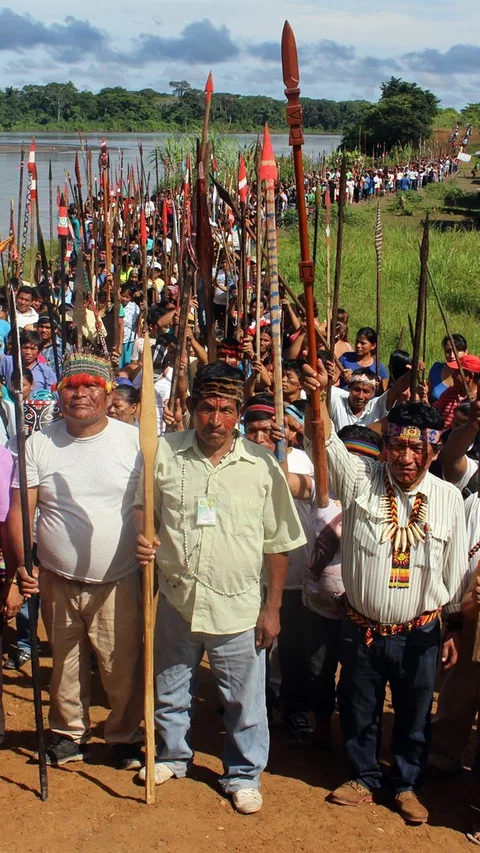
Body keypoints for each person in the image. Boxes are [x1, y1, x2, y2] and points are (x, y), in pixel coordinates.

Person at [134, 362, 305, 814]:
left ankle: (244, 773)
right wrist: (145, 537)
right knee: (170, 684)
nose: (215, 420)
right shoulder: (162, 453)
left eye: (226, 410)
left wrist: (272, 609)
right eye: (207, 408)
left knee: (244, 699)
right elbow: (142, 510)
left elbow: (279, 543)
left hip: (238, 604)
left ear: (240, 414)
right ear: (192, 408)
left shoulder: (263, 466)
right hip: (176, 596)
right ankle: (171, 755)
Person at [304, 357, 468, 826]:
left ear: (434, 452)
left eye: (418, 450)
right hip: (361, 627)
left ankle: (407, 784)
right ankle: (362, 777)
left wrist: (452, 626)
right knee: (358, 704)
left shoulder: (449, 499)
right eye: (397, 445)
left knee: (416, 712)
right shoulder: (358, 482)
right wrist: (318, 395)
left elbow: (455, 570)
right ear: (387, 446)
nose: (406, 457)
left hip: (422, 632)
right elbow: (325, 440)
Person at [10, 352, 144, 769]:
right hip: (56, 576)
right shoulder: (39, 443)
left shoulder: (136, 441)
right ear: (60, 392)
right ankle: (68, 734)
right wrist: (22, 564)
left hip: (119, 578)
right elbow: (21, 509)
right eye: (71, 386)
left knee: (121, 665)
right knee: (65, 664)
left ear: (107, 394)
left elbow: (152, 505)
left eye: (90, 386)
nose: (80, 394)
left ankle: (123, 735)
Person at [434, 354, 480, 429]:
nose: (452, 375)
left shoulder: (477, 401)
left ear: (470, 375)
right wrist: (424, 398)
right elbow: (434, 412)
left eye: (457, 372)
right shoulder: (450, 392)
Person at [339, 327, 388, 391]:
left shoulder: (379, 368)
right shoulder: (345, 358)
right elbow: (332, 379)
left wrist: (378, 387)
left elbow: (384, 395)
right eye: (357, 341)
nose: (358, 345)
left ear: (373, 346)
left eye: (363, 343)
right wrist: (342, 374)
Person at [428, 334, 468, 402]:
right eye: (448, 351)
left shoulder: (471, 374)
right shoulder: (436, 369)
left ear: (466, 352)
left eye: (456, 351)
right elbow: (428, 397)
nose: (452, 356)